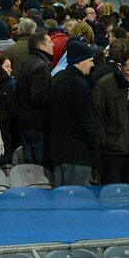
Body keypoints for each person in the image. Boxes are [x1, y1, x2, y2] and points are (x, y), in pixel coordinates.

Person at [93, 47, 129, 184]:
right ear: (120, 66)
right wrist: (104, 139)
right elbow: (96, 115)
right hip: (112, 150)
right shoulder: (104, 86)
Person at [49, 40, 98, 187]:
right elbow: (87, 122)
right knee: (76, 202)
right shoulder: (79, 85)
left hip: (59, 152)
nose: (92, 65)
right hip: (78, 155)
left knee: (60, 200)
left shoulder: (58, 80)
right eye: (90, 61)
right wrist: (95, 150)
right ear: (79, 61)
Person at [15, 31, 54, 164]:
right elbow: (38, 96)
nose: (53, 44)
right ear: (42, 47)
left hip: (24, 120)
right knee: (39, 166)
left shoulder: (24, 61)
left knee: (28, 166)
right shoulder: (41, 66)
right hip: (37, 122)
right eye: (49, 42)